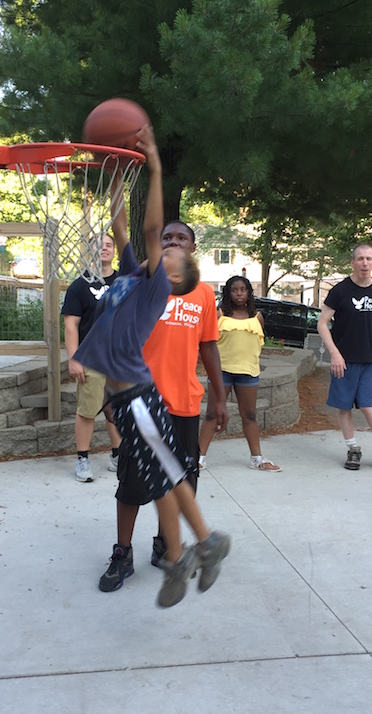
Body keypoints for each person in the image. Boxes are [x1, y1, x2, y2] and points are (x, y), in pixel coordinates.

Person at [74, 124, 230, 607]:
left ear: (176, 279)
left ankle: (195, 548)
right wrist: (117, 177)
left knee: (167, 476)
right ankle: (197, 547)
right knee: (162, 477)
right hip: (127, 399)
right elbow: (126, 226)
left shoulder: (155, 289)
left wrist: (156, 167)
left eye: (173, 253)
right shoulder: (129, 276)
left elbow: (148, 226)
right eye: (164, 247)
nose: (165, 251)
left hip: (140, 399)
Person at [98, 220, 229, 593]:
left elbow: (208, 346)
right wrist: (112, 395)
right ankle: (122, 553)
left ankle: (168, 547)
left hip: (183, 402)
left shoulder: (202, 293)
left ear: (191, 247)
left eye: (180, 238)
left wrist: (219, 397)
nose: (172, 241)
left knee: (177, 479)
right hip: (139, 398)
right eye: (166, 237)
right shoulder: (142, 284)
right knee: (132, 483)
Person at [317, 243, 372, 472]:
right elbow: (322, 324)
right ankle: (352, 448)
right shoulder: (340, 291)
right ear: (352, 262)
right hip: (344, 360)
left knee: (369, 404)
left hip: (370, 359)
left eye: (369, 259)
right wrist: (335, 354)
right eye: (360, 259)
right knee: (344, 406)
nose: (364, 263)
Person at [198, 275, 281, 472]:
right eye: (234, 290)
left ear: (249, 292)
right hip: (221, 372)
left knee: (250, 415)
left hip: (248, 372)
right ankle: (199, 458)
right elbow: (207, 343)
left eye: (243, 290)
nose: (239, 293)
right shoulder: (219, 314)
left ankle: (256, 458)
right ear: (228, 292)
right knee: (212, 414)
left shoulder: (257, 317)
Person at [62, 234, 121, 482]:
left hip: (119, 358)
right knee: (88, 410)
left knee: (117, 409)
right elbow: (71, 325)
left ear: (114, 251)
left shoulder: (124, 282)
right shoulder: (80, 285)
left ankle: (118, 455)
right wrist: (74, 358)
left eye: (108, 245)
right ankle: (83, 459)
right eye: (99, 245)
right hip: (91, 357)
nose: (104, 249)